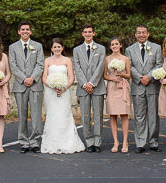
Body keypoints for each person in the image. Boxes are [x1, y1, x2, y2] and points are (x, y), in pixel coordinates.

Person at [40, 38, 86, 154]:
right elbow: (44, 77)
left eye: (59, 47)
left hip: (64, 92)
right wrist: (52, 87)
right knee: (52, 115)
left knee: (64, 115)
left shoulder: (67, 61)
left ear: (62, 48)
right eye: (54, 47)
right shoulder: (47, 61)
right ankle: (52, 143)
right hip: (51, 92)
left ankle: (67, 142)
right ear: (51, 48)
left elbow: (71, 77)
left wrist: (64, 88)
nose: (57, 49)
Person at [125, 24, 163, 153]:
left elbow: (159, 64)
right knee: (139, 116)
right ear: (135, 34)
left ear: (148, 34)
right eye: (139, 33)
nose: (141, 35)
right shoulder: (129, 49)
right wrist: (140, 78)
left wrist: (149, 77)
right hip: (138, 86)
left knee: (153, 115)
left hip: (152, 86)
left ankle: (153, 142)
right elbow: (129, 66)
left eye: (144, 32)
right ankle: (140, 142)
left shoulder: (156, 48)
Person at [8, 20, 44, 153]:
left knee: (36, 114)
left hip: (35, 85)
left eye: (27, 29)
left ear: (30, 31)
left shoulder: (38, 46)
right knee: (22, 115)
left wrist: (32, 78)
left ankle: (35, 142)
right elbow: (13, 65)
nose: (25, 31)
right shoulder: (13, 47)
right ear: (19, 31)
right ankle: (23, 141)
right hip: (20, 85)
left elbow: (40, 64)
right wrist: (24, 79)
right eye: (22, 29)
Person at [73, 23, 106, 153]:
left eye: (90, 32)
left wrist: (92, 83)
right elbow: (77, 68)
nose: (88, 34)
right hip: (83, 87)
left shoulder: (101, 48)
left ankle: (97, 142)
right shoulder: (77, 50)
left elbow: (100, 66)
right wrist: (85, 84)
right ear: (82, 34)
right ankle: (89, 142)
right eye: (85, 32)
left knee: (98, 115)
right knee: (85, 116)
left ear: (94, 33)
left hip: (97, 86)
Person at [103, 37, 131, 153]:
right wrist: (112, 78)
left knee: (124, 115)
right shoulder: (107, 59)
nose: (114, 46)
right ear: (110, 47)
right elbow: (104, 75)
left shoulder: (125, 59)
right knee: (113, 115)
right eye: (112, 44)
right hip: (112, 87)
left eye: (116, 44)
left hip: (122, 87)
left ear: (120, 45)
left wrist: (121, 74)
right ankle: (116, 141)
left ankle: (125, 141)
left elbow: (129, 75)